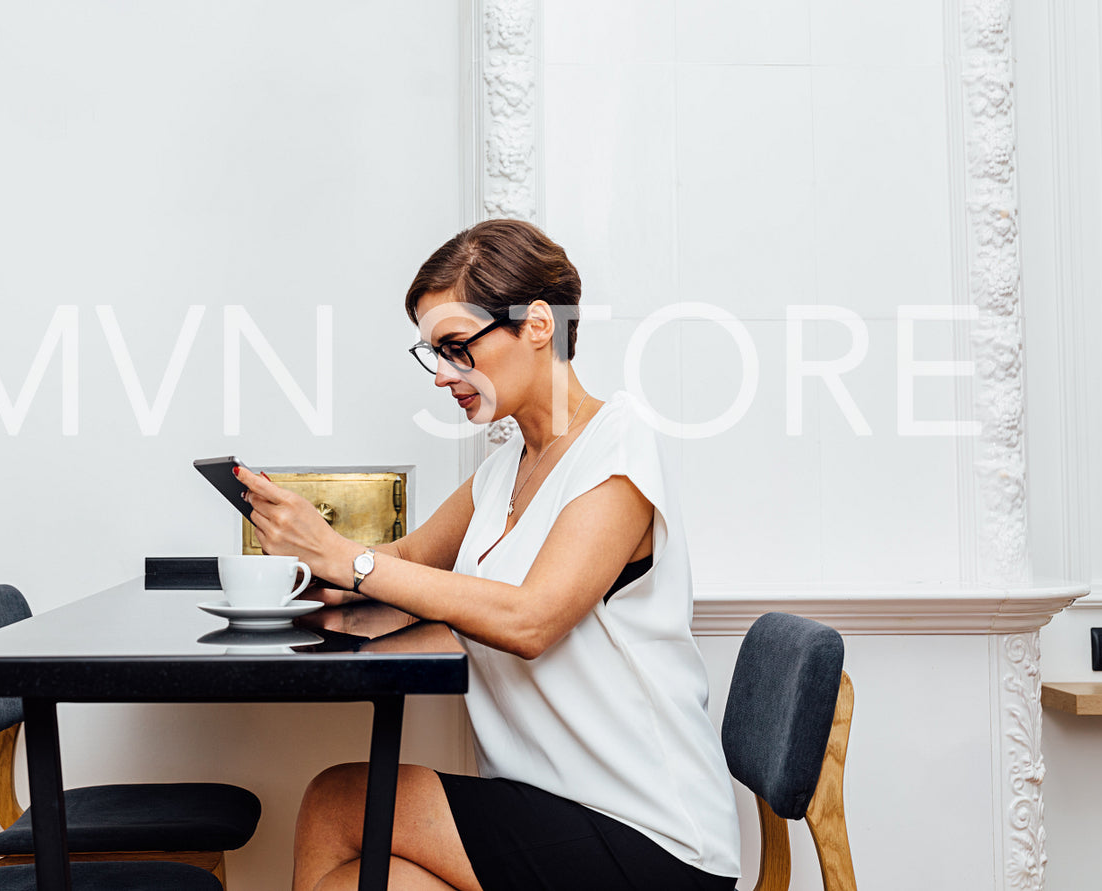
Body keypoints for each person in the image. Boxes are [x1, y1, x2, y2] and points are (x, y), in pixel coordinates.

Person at [235, 219, 741, 891]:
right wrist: (307, 558)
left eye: (455, 347)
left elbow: (530, 620)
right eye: (432, 354)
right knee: (353, 870)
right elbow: (406, 558)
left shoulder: (616, 450)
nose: (443, 375)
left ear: (537, 324)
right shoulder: (505, 465)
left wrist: (347, 561)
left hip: (651, 834)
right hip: (549, 804)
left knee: (340, 803)